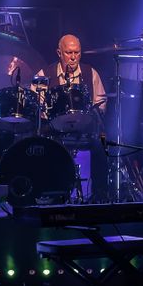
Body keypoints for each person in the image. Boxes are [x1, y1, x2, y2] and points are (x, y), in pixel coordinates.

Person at [35, 35, 110, 201]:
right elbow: (36, 103)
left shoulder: (91, 73)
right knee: (41, 143)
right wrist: (48, 118)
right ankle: (52, 191)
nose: (73, 57)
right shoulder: (44, 74)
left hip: (85, 131)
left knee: (102, 142)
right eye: (69, 52)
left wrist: (93, 116)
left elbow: (101, 103)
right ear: (59, 53)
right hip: (55, 132)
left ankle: (100, 194)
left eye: (77, 52)